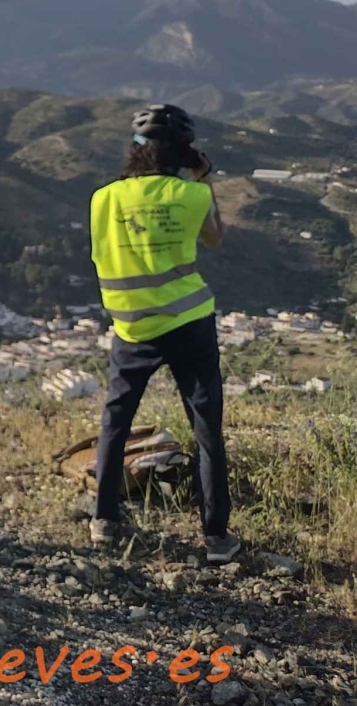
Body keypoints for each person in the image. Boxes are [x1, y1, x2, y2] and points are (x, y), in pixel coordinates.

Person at [88, 104, 238, 563]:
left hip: (130, 325)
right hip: (188, 322)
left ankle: (104, 521)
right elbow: (214, 239)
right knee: (205, 426)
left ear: (136, 152)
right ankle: (216, 537)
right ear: (183, 153)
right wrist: (203, 180)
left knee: (116, 421)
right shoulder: (192, 194)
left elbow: (102, 252)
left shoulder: (104, 198)